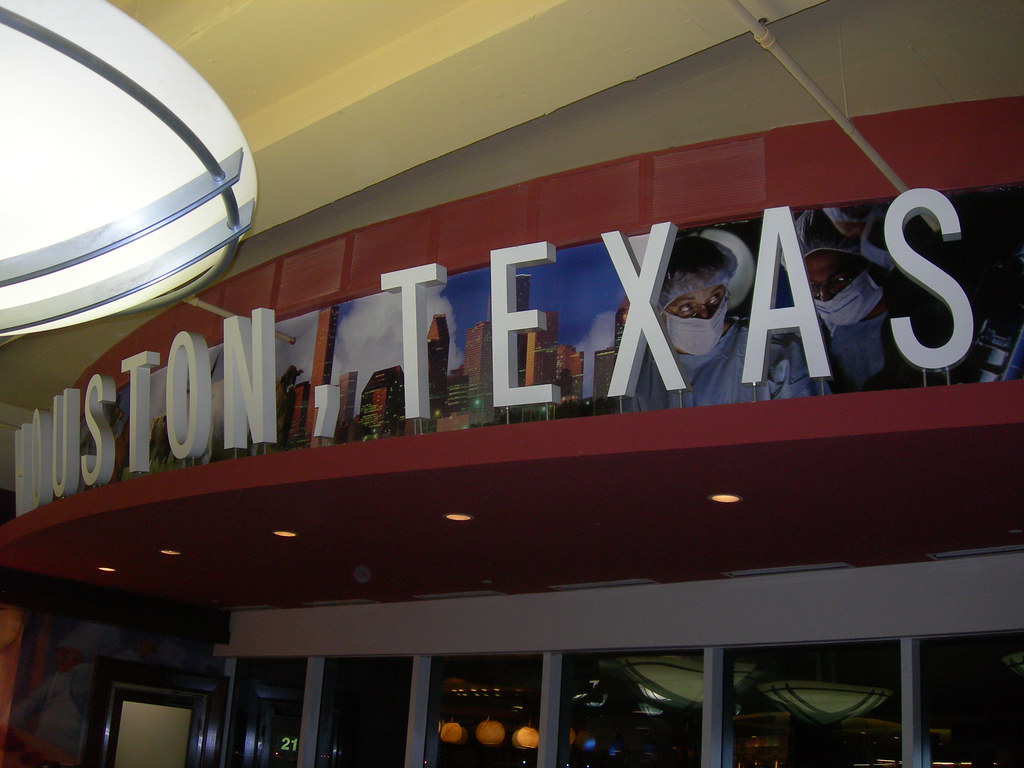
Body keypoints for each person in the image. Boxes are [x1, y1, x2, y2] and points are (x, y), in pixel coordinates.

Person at [628, 233, 816, 410]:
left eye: (714, 298)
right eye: (687, 307)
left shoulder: (775, 351)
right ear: (659, 310)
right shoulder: (638, 374)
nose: (705, 315)